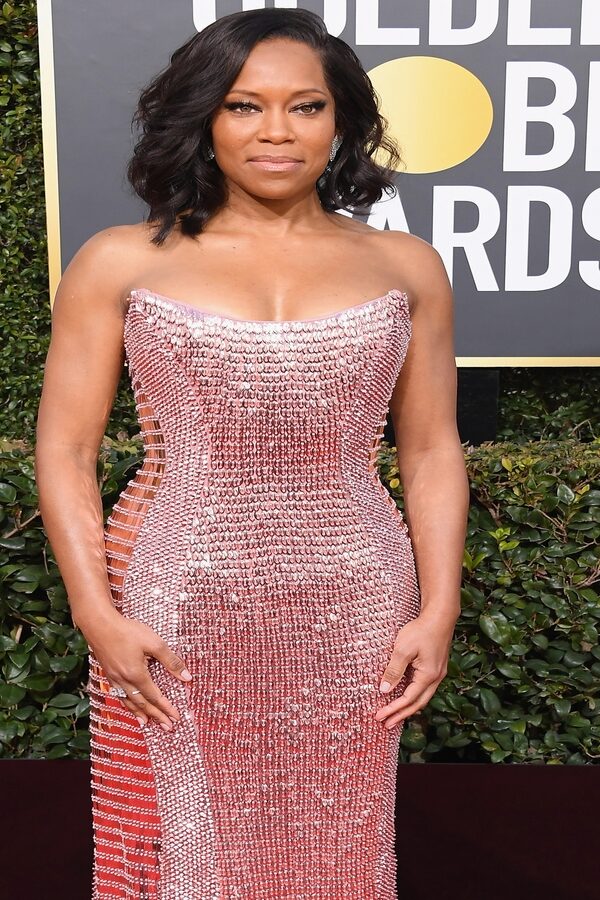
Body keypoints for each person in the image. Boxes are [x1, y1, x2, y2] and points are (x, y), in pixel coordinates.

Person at [35, 8, 469, 898]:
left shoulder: (408, 265)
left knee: (340, 841)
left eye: (306, 106)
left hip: (358, 600)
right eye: (244, 106)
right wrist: (93, 611)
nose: (277, 131)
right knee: (185, 844)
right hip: (176, 593)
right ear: (204, 116)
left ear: (341, 119)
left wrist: (440, 608)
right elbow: (67, 449)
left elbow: (430, 449)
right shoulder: (118, 261)